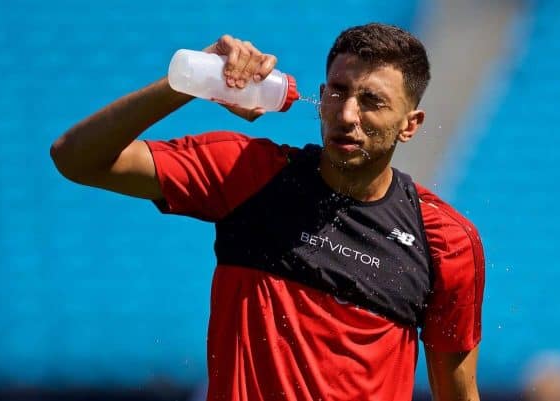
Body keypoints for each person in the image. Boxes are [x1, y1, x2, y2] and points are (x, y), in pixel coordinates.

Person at [51, 23, 485, 401]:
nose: (347, 114)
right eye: (338, 92)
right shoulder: (246, 172)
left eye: (372, 100)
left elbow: (458, 394)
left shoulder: (444, 241)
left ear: (410, 123)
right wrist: (188, 81)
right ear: (322, 96)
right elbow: (76, 157)